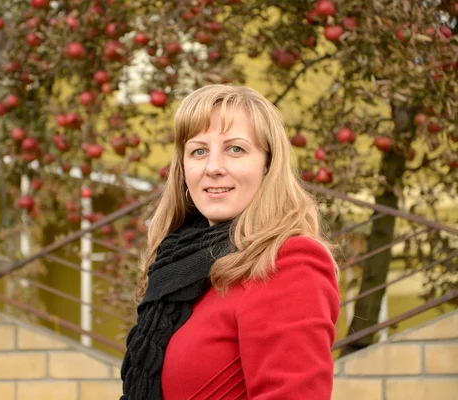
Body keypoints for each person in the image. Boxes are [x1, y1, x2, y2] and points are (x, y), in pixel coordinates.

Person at [120, 85, 340, 400]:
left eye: (235, 149)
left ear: (268, 164)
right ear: (184, 169)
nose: (213, 168)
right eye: (199, 151)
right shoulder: (176, 269)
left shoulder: (288, 261)